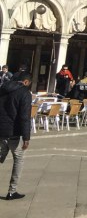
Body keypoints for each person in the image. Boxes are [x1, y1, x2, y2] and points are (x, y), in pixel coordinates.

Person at [0, 71, 32, 200]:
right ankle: (12, 191)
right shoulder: (24, 93)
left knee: (1, 154)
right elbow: (24, 116)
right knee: (18, 158)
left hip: (0, 129)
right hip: (13, 131)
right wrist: (26, 137)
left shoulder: (2, 89)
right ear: (25, 82)